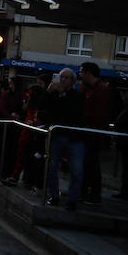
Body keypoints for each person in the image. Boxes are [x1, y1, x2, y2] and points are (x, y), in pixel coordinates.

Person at [41, 67, 85, 209]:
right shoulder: (53, 94)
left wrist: (63, 96)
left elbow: (75, 113)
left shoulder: (78, 96)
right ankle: (54, 195)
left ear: (73, 81)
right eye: (62, 78)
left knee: (76, 170)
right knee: (52, 167)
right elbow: (42, 107)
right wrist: (49, 92)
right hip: (57, 135)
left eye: (67, 78)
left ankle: (73, 199)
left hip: (73, 137)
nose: (63, 80)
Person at [78, 61, 114, 205]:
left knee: (92, 163)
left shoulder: (102, 90)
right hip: (85, 131)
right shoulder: (86, 88)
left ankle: (94, 193)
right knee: (85, 163)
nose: (79, 74)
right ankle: (84, 190)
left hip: (93, 133)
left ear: (87, 72)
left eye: (81, 72)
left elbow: (100, 114)